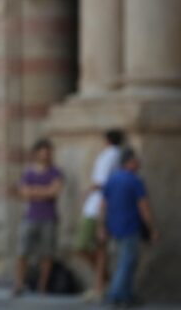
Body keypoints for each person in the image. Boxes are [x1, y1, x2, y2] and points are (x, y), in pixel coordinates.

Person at [98, 148, 159, 306]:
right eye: (136, 160)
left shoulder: (112, 180)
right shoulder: (135, 181)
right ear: (129, 162)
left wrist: (103, 226)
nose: (139, 163)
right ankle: (115, 293)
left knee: (125, 261)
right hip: (130, 227)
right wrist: (152, 229)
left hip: (114, 227)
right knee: (127, 262)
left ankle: (127, 295)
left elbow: (103, 205)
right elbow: (143, 206)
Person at [76, 129, 125, 301]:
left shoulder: (110, 155)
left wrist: (88, 191)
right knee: (99, 248)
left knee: (84, 245)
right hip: (99, 205)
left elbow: (102, 182)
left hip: (98, 207)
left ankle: (103, 283)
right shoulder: (115, 155)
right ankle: (103, 283)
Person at [14, 139, 64, 295]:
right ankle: (19, 284)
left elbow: (54, 192)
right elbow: (23, 193)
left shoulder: (56, 172)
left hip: (49, 218)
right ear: (37, 154)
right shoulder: (28, 172)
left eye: (48, 152)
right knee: (22, 251)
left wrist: (34, 191)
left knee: (47, 254)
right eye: (43, 152)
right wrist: (44, 191)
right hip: (30, 217)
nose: (46, 155)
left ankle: (43, 286)